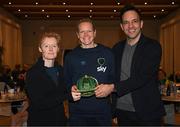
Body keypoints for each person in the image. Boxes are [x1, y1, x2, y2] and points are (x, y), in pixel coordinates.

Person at [112, 4, 165, 126]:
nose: (130, 26)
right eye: (126, 22)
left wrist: (112, 87)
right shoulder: (116, 48)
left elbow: (141, 78)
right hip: (122, 111)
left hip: (148, 112)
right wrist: (114, 111)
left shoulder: (153, 46)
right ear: (121, 26)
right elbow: (114, 76)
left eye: (134, 21)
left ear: (141, 24)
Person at [64, 18, 115, 126]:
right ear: (77, 35)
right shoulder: (70, 57)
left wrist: (110, 88)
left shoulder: (107, 53)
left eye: (89, 31)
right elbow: (65, 82)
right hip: (78, 114)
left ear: (95, 33)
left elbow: (115, 80)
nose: (86, 34)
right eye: (82, 32)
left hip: (102, 113)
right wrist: (70, 89)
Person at [25, 32, 67, 126]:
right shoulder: (33, 73)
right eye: (46, 46)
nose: (51, 49)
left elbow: (64, 91)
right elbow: (40, 103)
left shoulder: (61, 70)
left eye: (54, 46)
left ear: (58, 49)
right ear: (40, 49)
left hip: (59, 120)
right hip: (40, 121)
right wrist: (68, 96)